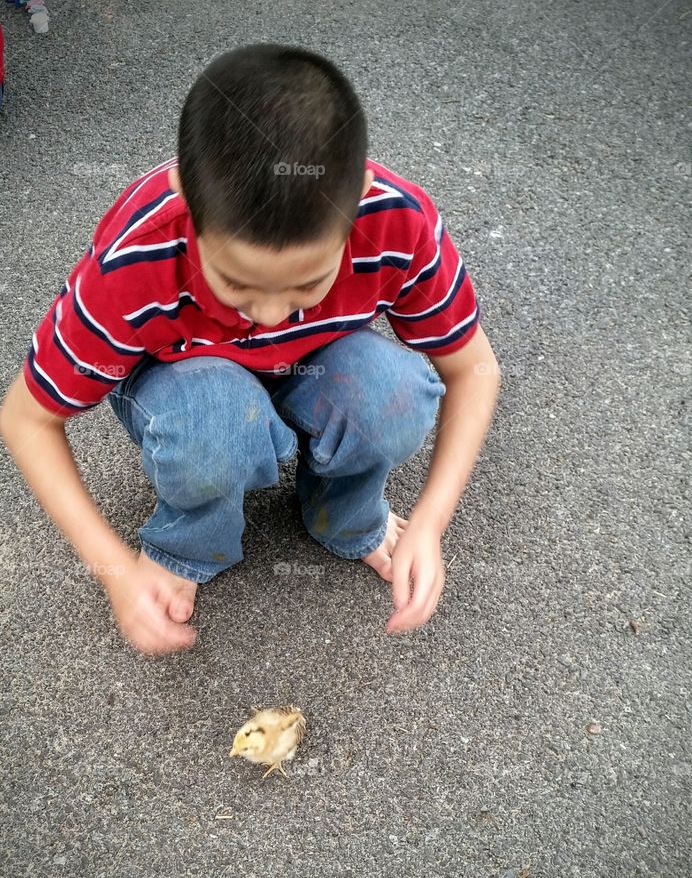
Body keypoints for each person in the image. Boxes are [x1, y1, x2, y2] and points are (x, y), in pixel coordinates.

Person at [0, 43, 501, 656]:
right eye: (235, 283)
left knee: (393, 394)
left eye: (307, 283)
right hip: (184, 378)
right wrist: (115, 570)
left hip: (316, 359)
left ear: (359, 198)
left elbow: (474, 369)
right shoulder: (136, 258)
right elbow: (27, 416)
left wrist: (432, 520)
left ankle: (346, 514)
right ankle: (192, 539)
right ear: (187, 199)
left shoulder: (399, 219)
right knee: (216, 423)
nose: (267, 315)